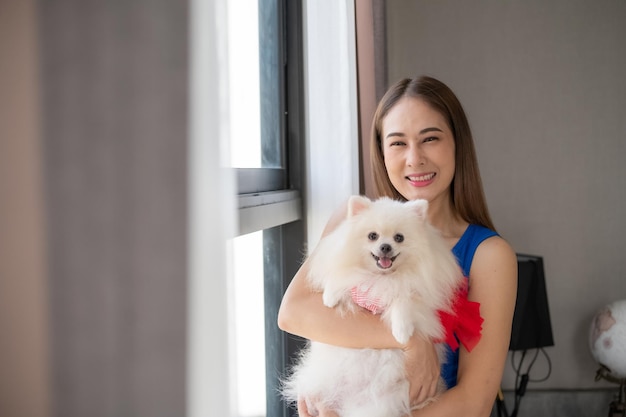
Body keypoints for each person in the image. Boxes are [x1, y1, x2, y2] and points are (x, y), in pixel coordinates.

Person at [277, 75, 518, 417]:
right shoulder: (349, 222)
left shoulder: (489, 255)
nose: (414, 158)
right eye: (398, 143)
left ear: (457, 143)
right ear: (381, 151)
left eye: (430, 138)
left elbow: (473, 402)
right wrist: (410, 340)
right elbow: (294, 313)